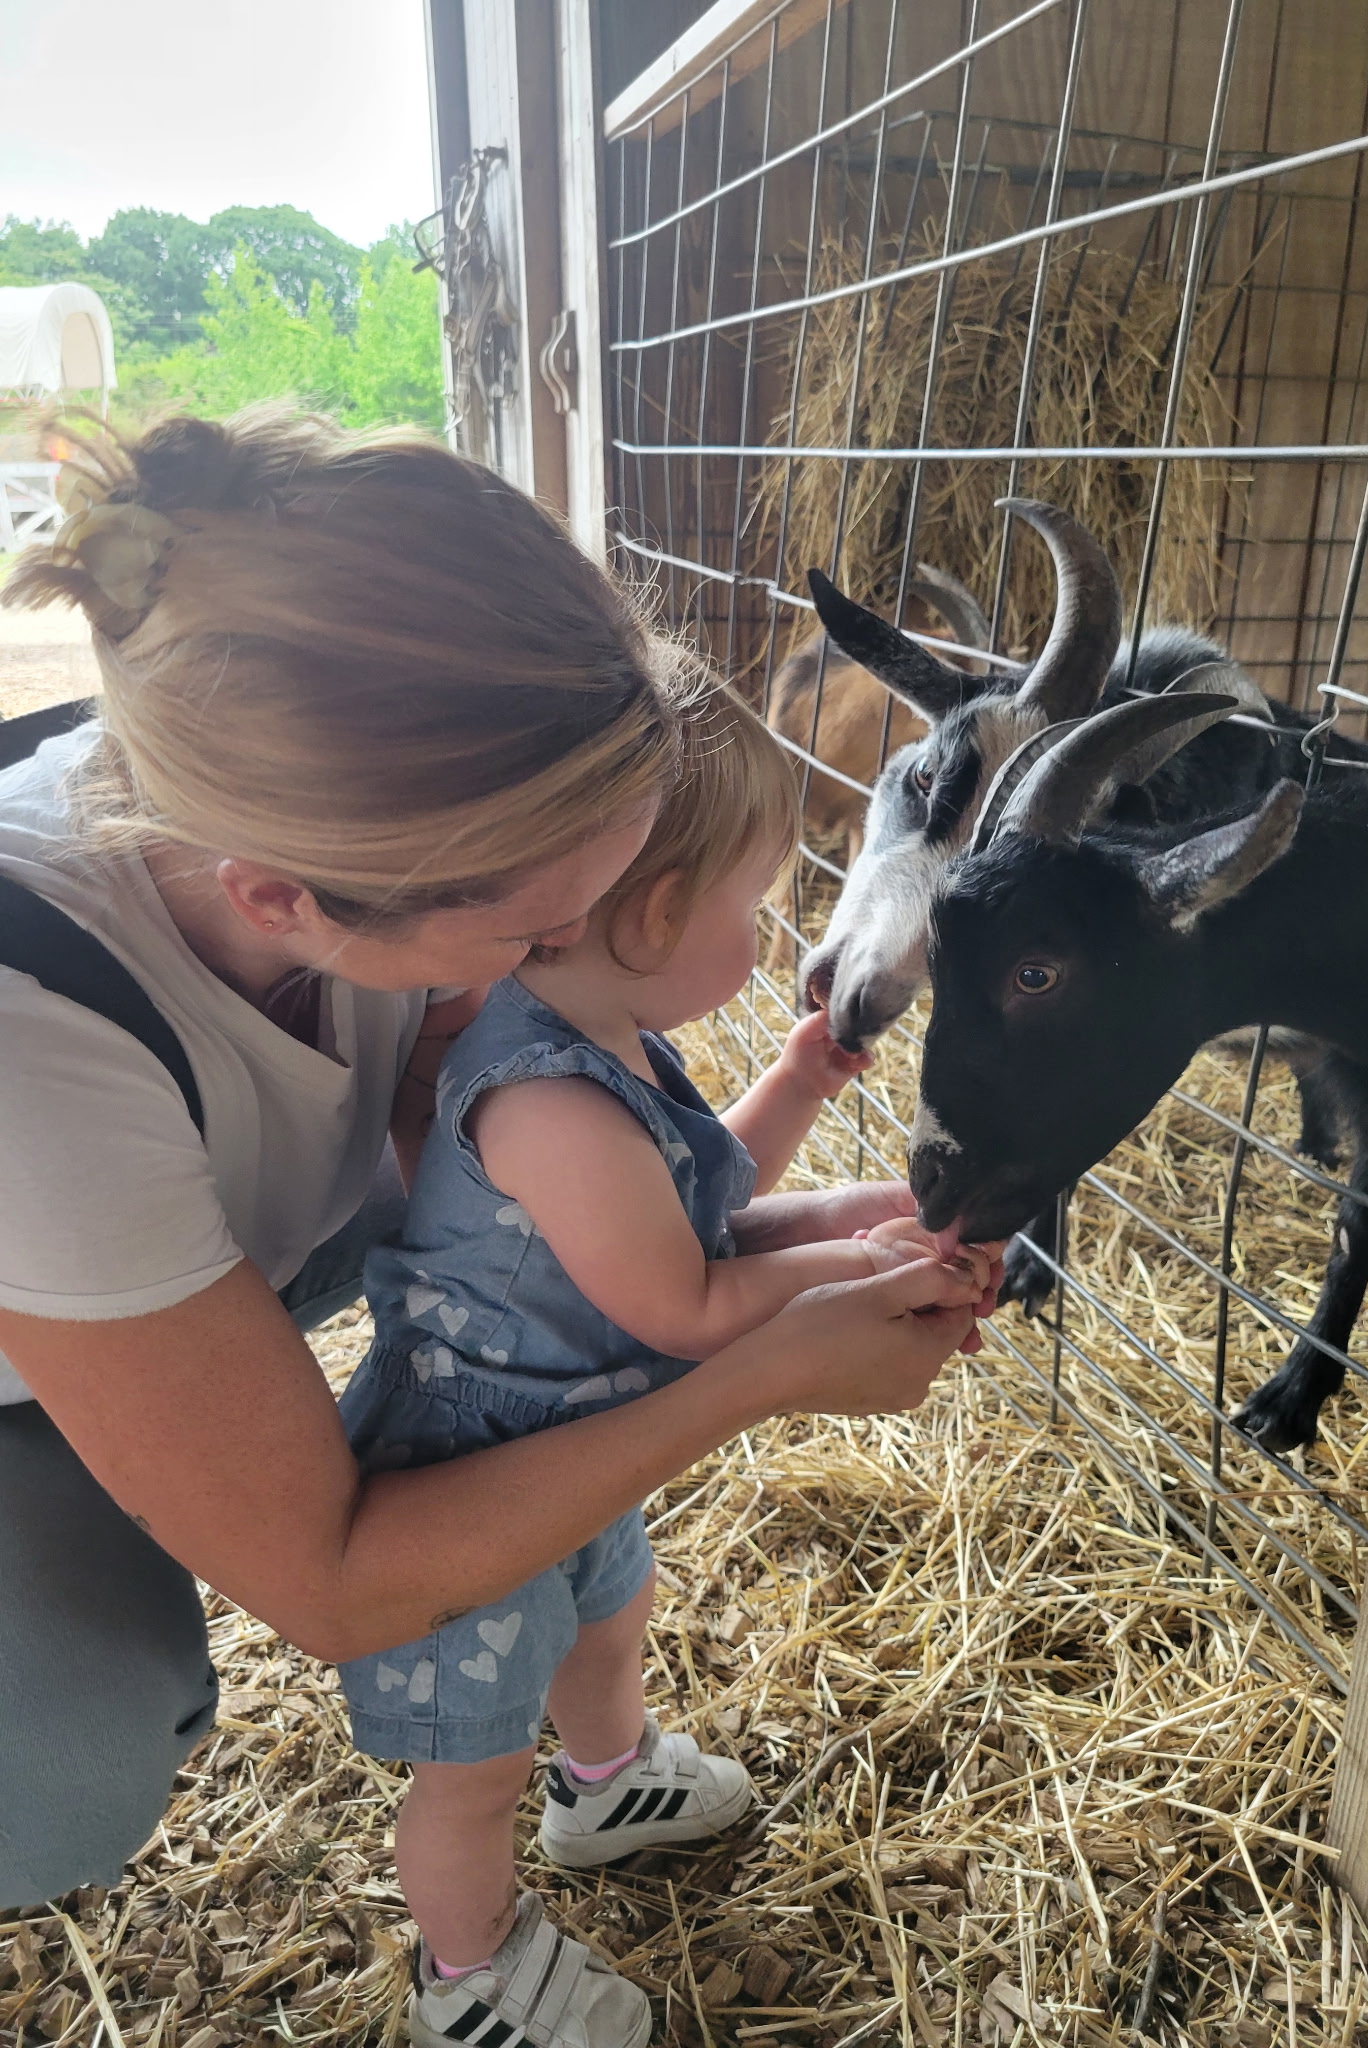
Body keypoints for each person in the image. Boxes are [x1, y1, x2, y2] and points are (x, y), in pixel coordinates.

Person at [0, 411, 997, 1964]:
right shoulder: (32, 1053)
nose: (578, 960)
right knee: (73, 1758)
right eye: (538, 936)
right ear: (286, 900)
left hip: (225, 1241)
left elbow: (572, 1218)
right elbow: (334, 1583)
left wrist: (828, 1224)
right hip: (24, 1344)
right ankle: (471, 1985)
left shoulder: (370, 849)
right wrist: (764, 1372)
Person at [334, 682, 988, 2048]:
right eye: (755, 903)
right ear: (650, 913)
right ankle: (467, 1981)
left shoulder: (604, 1043)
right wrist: (858, 1272)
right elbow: (690, 1301)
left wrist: (816, 1116)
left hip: (575, 1435)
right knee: (472, 1768)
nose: (772, 935)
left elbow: (692, 1208)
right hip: (484, 1473)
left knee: (610, 1620)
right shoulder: (549, 1101)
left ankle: (609, 1786)